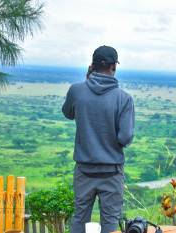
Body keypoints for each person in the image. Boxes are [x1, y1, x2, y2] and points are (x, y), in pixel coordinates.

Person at [62, 45, 135, 233]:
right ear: (114, 67)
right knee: (110, 224)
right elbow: (125, 137)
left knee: (79, 219)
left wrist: (87, 81)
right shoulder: (124, 98)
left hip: (84, 171)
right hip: (111, 172)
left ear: (92, 65)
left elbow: (68, 113)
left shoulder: (76, 90)